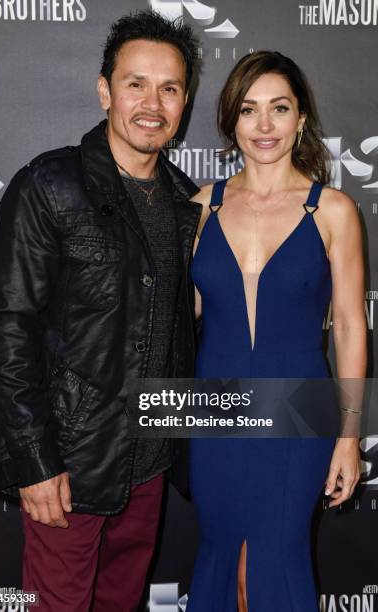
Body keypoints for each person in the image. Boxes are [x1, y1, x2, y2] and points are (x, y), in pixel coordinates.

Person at [0, 10, 201, 612]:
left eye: (170, 87)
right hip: (69, 466)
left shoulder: (189, 204)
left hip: (149, 467)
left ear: (184, 102)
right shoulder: (48, 185)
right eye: (135, 83)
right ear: (105, 90)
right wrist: (35, 459)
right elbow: (7, 327)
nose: (151, 103)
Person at [187, 51, 365, 611]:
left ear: (301, 119)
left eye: (279, 109)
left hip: (298, 410)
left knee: (267, 565)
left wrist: (350, 435)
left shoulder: (332, 210)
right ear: (230, 121)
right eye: (248, 110)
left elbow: (351, 328)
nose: (264, 126)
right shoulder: (199, 208)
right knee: (221, 557)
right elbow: (173, 320)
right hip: (212, 410)